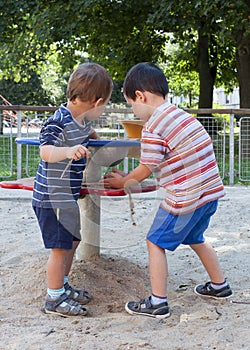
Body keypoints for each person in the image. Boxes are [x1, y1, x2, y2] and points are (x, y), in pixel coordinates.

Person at [102, 62, 232, 319]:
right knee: (196, 238)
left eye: (131, 105)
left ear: (140, 96)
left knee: (155, 242)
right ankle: (220, 286)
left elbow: (146, 168)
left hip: (186, 198)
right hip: (209, 194)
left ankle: (158, 302)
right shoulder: (182, 116)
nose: (134, 111)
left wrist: (123, 181)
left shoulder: (154, 126)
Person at [32, 62, 113, 317]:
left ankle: (62, 286)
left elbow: (85, 132)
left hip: (66, 197)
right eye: (105, 104)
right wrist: (67, 151)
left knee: (73, 241)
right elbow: (45, 150)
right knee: (60, 247)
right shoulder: (59, 120)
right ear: (97, 101)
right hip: (51, 197)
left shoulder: (80, 122)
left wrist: (93, 136)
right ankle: (53, 298)